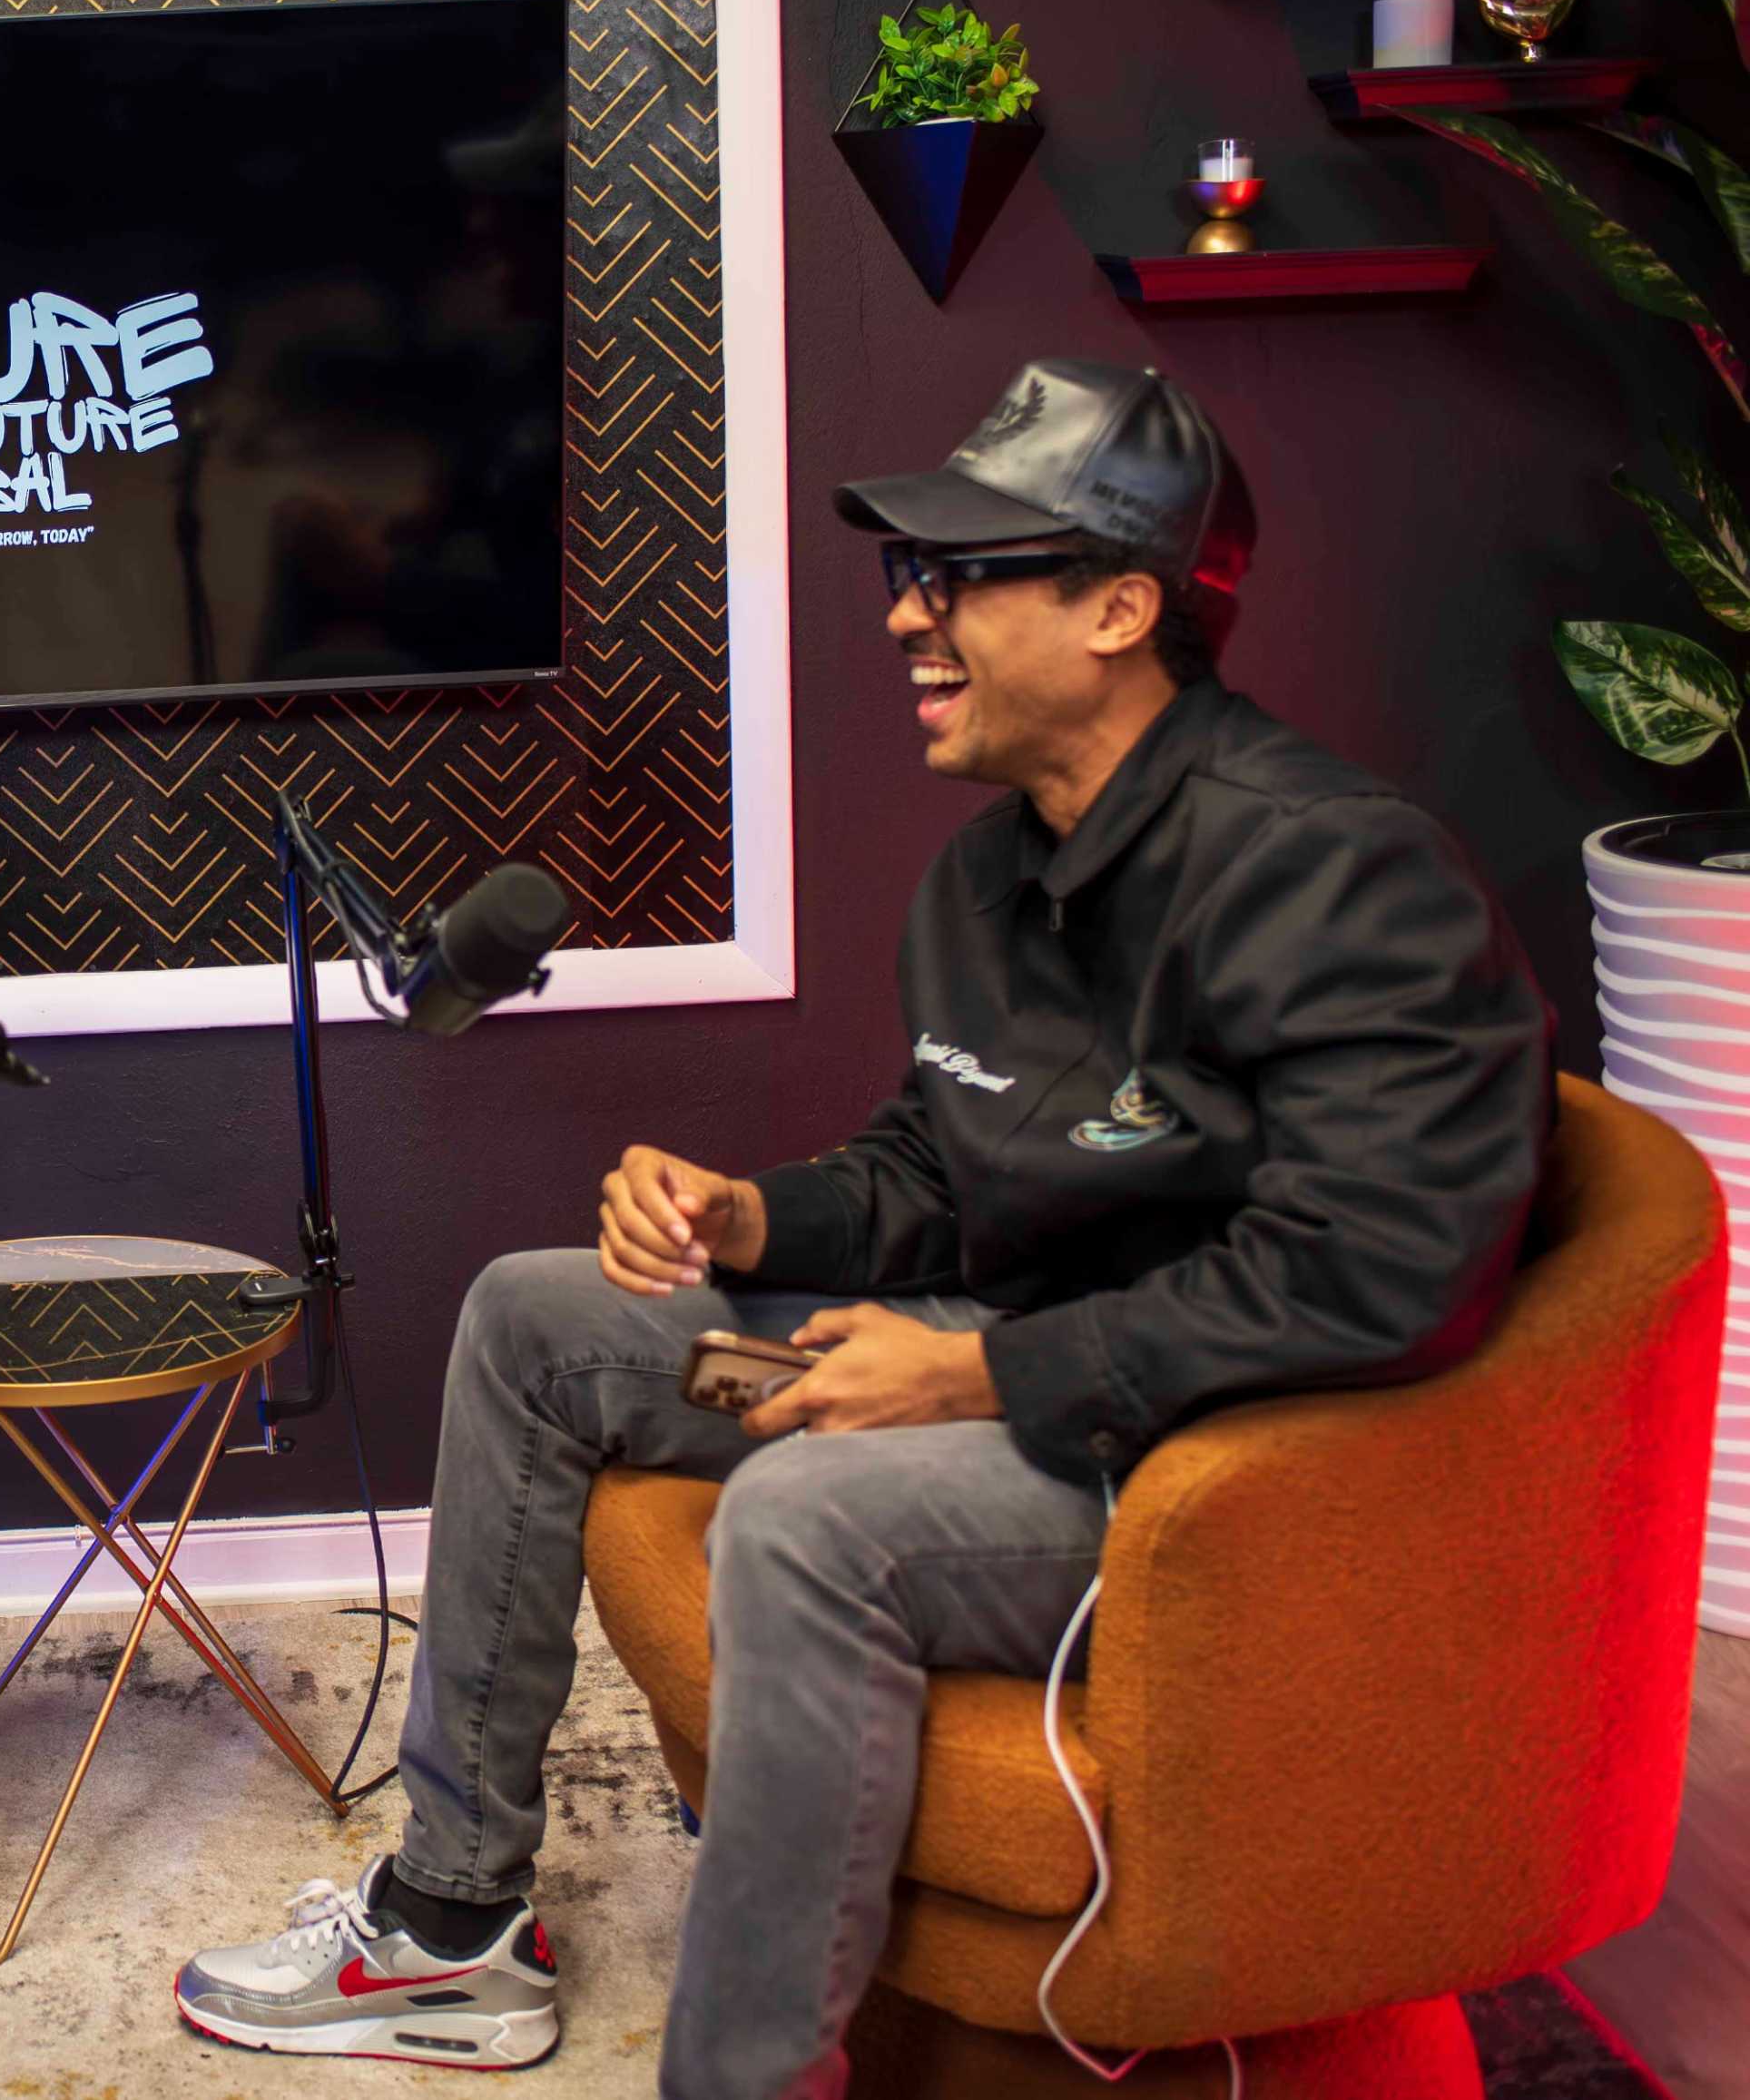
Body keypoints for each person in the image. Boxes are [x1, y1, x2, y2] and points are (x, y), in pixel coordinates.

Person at [172, 361, 1552, 2096]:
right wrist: (747, 1215)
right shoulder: (986, 877)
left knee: (812, 1521)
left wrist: (974, 1384)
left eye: (962, 573)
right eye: (915, 573)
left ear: (1122, 605)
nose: (909, 613)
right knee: (538, 1319)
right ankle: (451, 1926)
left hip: (1203, 1462)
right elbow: (932, 1167)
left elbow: (1383, 1273)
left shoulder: (1338, 872)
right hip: (1007, 1371)